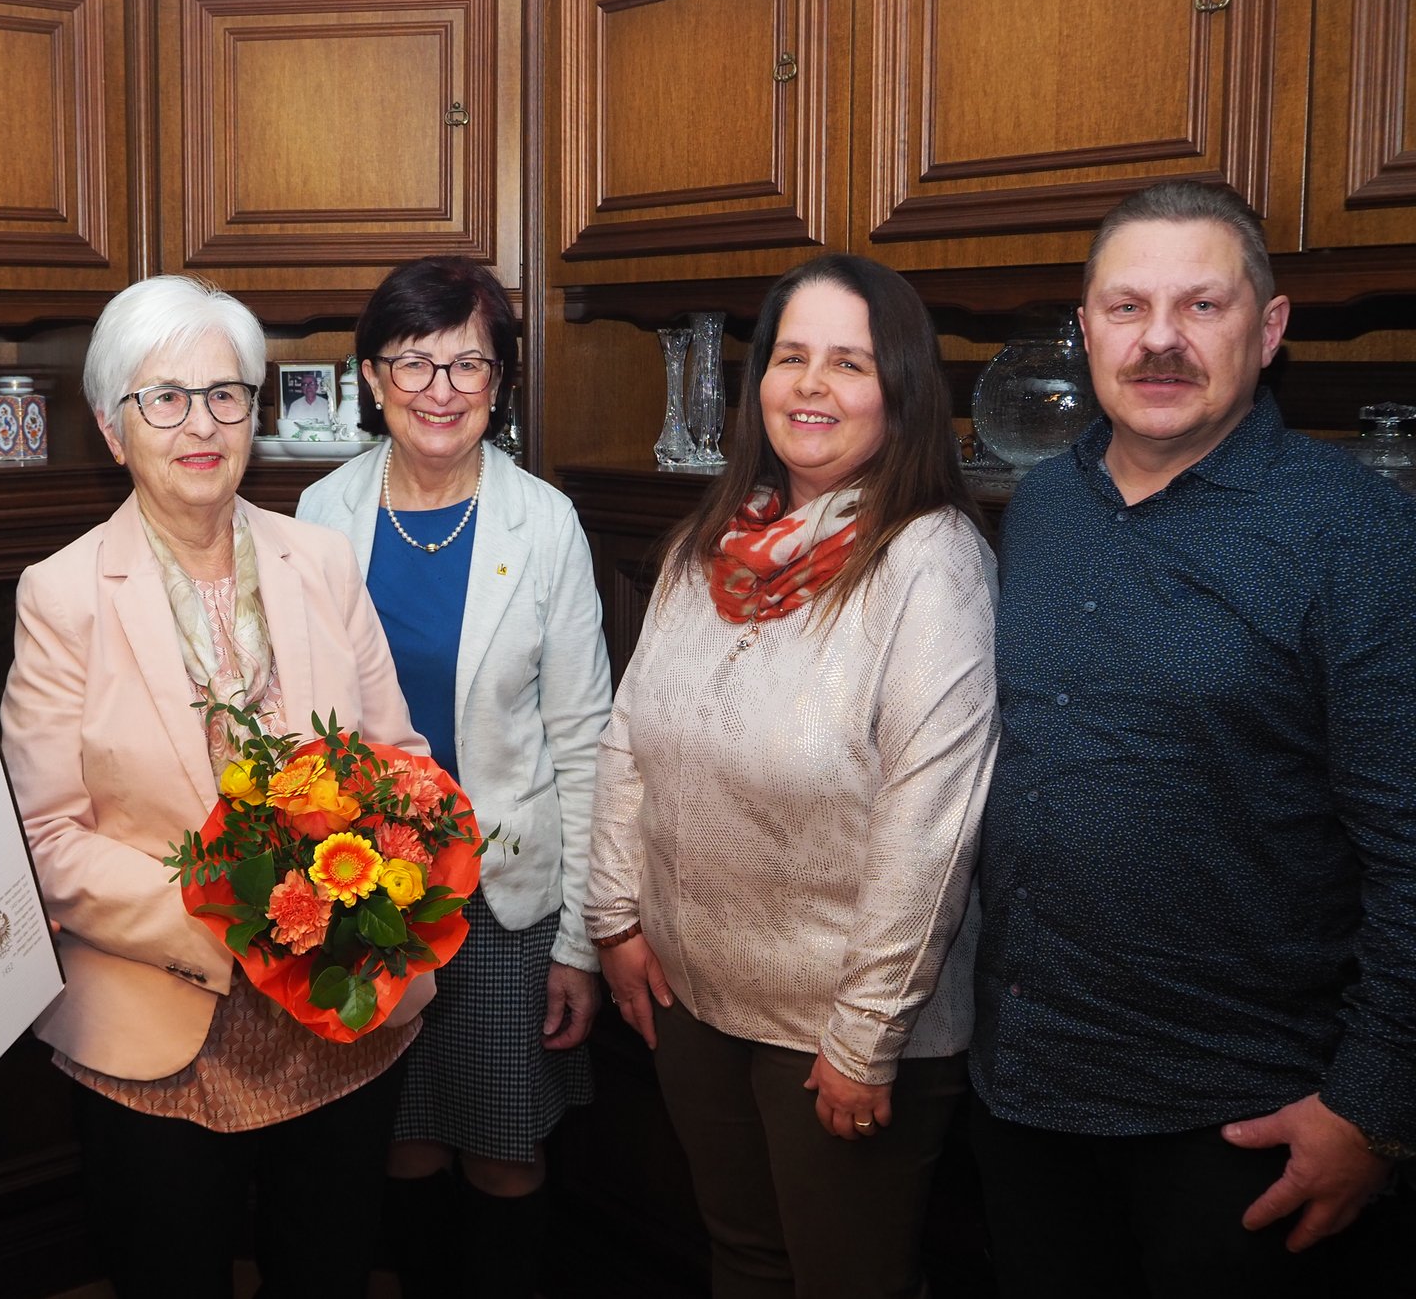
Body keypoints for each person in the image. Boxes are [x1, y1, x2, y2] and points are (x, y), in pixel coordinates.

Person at [969, 179, 1416, 1297]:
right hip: (1023, 1089)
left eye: (1200, 307)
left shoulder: (1353, 535)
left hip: (1239, 1123)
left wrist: (1371, 1105)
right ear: (1084, 331)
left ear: (1267, 329)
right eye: (1125, 307)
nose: (1158, 339)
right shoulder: (1044, 507)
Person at [0, 274, 429, 1299]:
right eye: (165, 398)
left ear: (255, 411)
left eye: (226, 393)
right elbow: (43, 836)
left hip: (338, 1027)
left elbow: (400, 765)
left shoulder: (321, 563)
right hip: (153, 1039)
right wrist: (241, 921)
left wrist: (344, 919)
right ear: (113, 427)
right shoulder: (61, 594)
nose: (201, 422)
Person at [587, 253, 997, 1299]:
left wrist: (864, 1036)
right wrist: (616, 923)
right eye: (790, 357)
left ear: (899, 388)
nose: (810, 385)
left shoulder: (929, 560)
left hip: (840, 1023)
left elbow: (930, 824)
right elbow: (628, 740)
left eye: (848, 363)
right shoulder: (705, 545)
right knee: (743, 1258)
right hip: (694, 995)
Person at [298, 255, 612, 1299]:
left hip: (498, 901)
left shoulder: (546, 523)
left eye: (466, 363)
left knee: (502, 1148)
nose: (439, 390)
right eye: (413, 363)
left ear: (500, 380)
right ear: (371, 378)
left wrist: (580, 941)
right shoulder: (317, 516)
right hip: (362, 892)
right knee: (398, 1143)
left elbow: (584, 740)